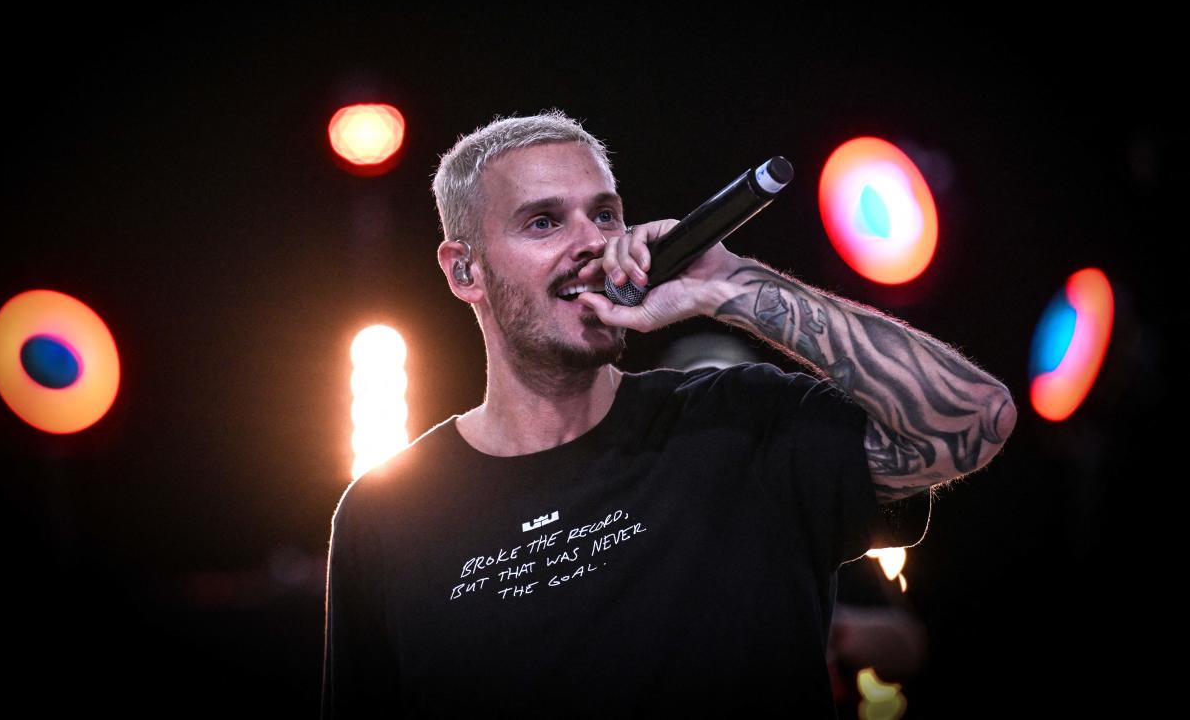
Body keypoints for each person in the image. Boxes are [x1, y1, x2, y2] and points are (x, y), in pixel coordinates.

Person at [321, 110, 1016, 717]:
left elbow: (974, 419)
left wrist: (737, 287)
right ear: (463, 270)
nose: (592, 241)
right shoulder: (385, 515)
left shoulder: (745, 423)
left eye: (605, 214)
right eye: (543, 221)